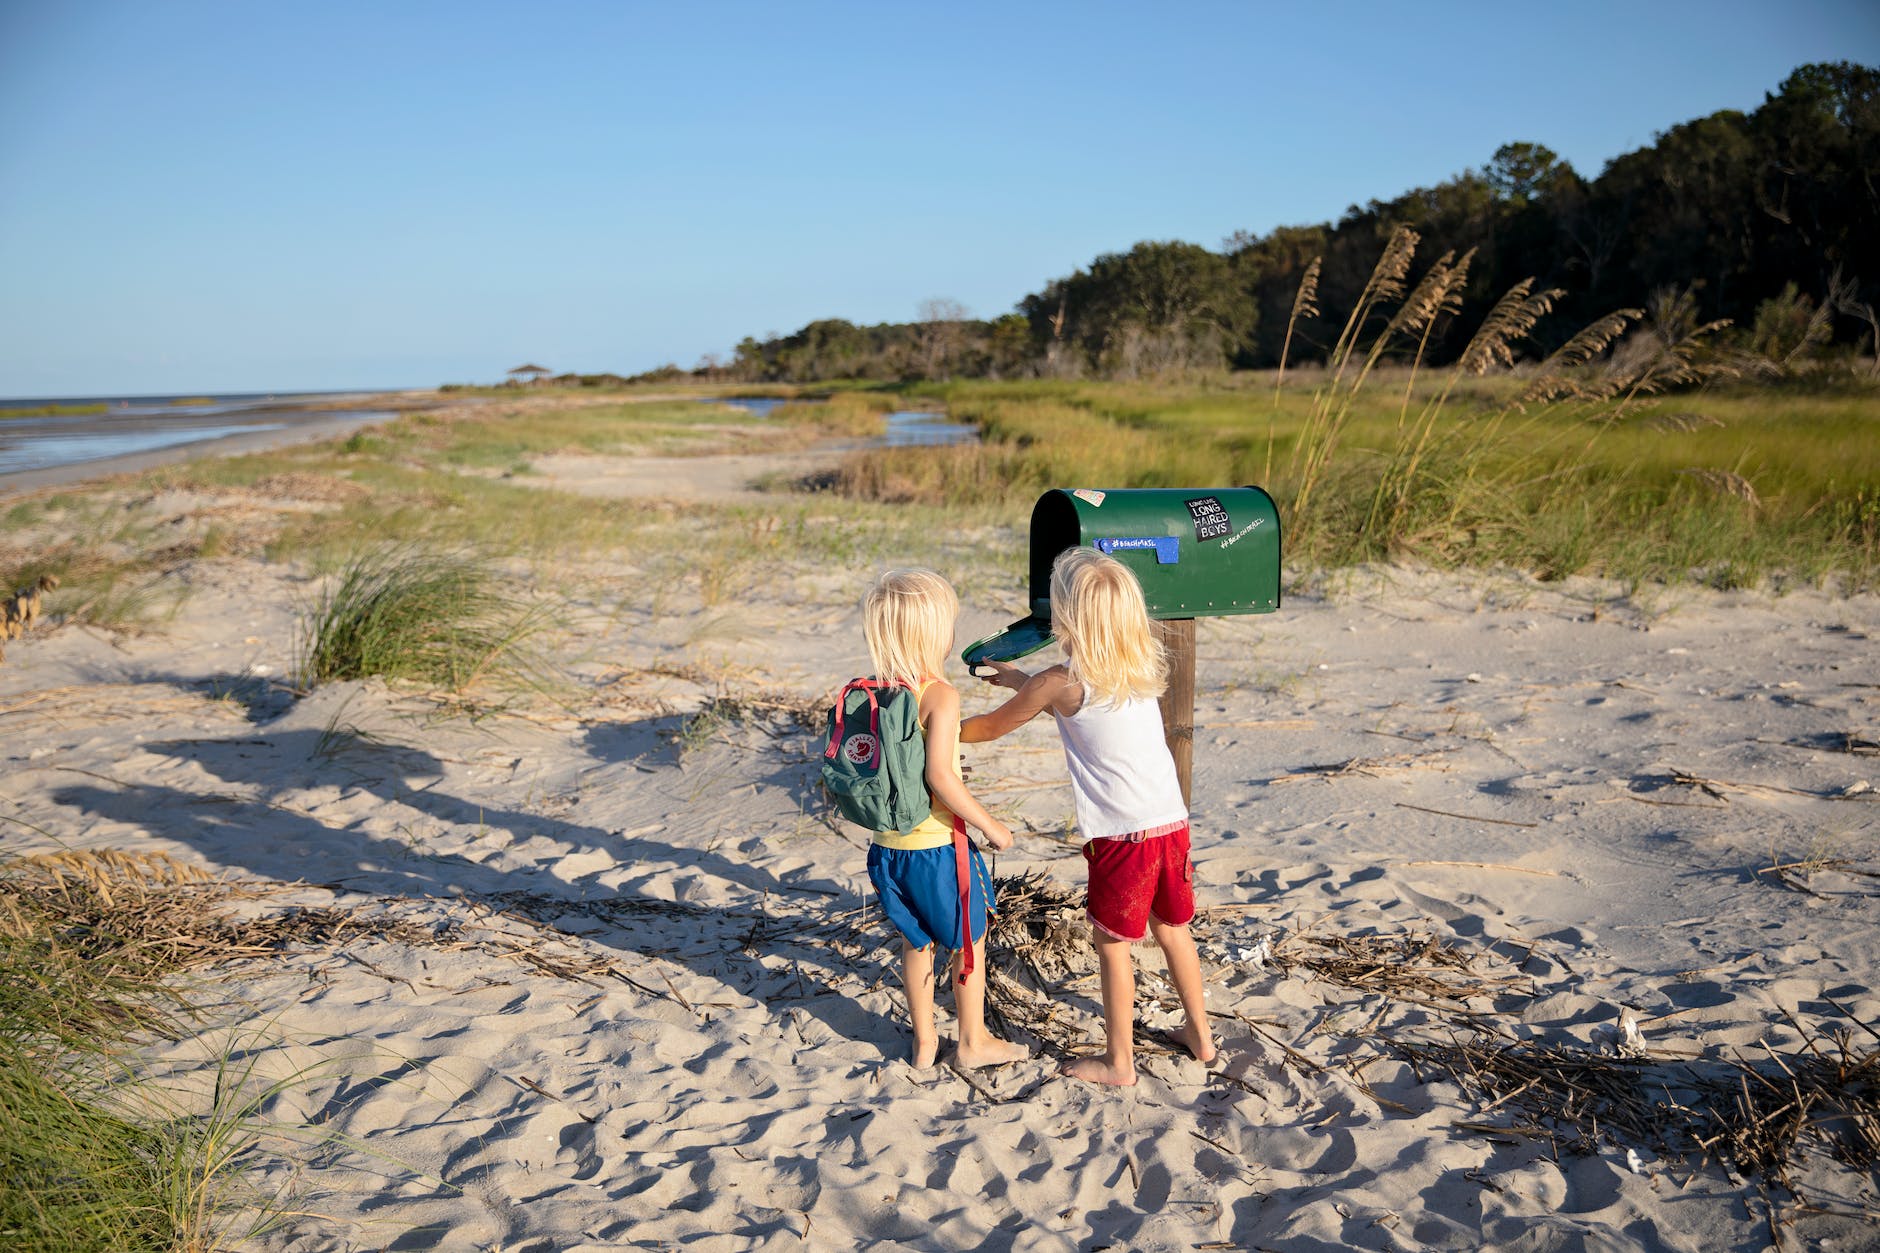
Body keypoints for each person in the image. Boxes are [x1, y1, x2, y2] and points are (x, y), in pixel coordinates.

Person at [962, 547, 1216, 1086]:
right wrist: (1020, 681)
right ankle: (1202, 1035)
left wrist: (929, 728)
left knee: (1112, 945)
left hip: (1122, 837)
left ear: (1066, 618)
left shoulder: (1057, 681)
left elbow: (986, 728)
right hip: (1170, 823)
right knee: (1172, 929)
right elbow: (1076, 700)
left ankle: (1119, 1061)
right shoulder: (1137, 665)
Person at [861, 569, 1028, 1070]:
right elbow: (940, 776)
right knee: (968, 944)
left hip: (886, 849)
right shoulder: (939, 694)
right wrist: (990, 825)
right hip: (937, 849)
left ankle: (925, 1042)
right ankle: (973, 1043)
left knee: (917, 943)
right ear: (937, 634)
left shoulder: (875, 691)